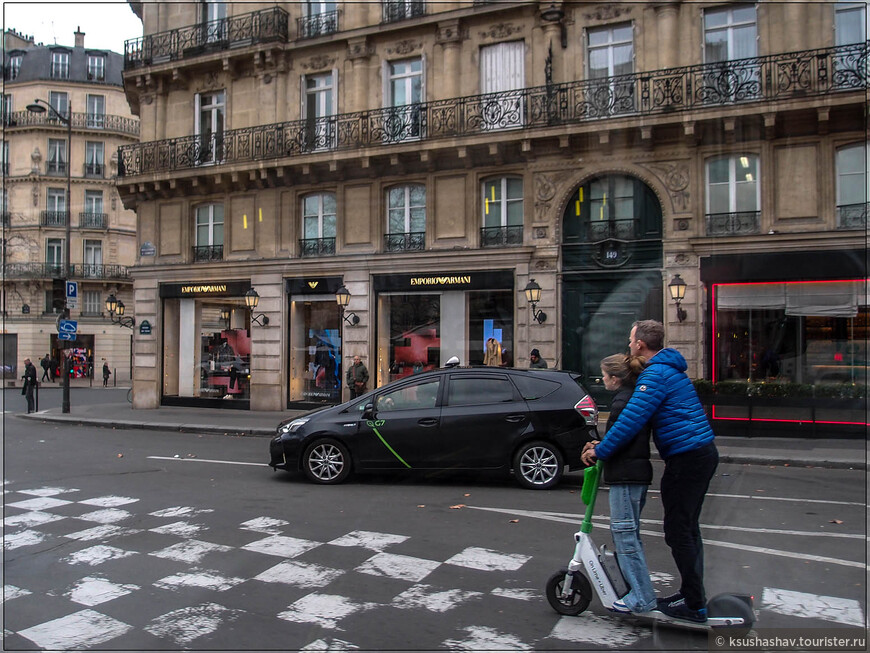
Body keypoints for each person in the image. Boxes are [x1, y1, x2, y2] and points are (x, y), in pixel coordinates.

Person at [582, 320, 717, 623]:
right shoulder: (668, 370)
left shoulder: (655, 375)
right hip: (697, 454)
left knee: (680, 531)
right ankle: (692, 594)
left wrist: (600, 450)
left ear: (641, 343)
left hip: (688, 457)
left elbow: (629, 422)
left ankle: (694, 604)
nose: (629, 345)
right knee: (687, 529)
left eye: (631, 340)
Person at [590, 353, 656, 615]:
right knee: (631, 536)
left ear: (615, 379)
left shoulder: (621, 402)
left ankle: (641, 597)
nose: (602, 379)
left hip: (626, 475)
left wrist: (598, 450)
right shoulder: (631, 397)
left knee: (626, 537)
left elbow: (619, 441)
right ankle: (637, 591)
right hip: (635, 473)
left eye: (604, 375)